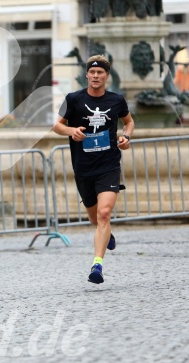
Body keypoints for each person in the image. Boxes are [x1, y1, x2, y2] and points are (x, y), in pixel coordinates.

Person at [53, 55, 135, 284]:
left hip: (108, 165)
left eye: (100, 73)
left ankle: (97, 265)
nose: (96, 76)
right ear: (87, 74)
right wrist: (71, 132)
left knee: (104, 213)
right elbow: (56, 125)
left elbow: (129, 122)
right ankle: (106, 233)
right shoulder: (73, 99)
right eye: (92, 72)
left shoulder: (116, 100)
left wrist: (126, 136)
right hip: (83, 167)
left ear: (106, 76)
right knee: (94, 218)